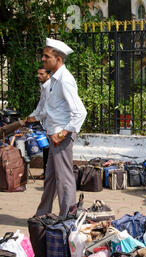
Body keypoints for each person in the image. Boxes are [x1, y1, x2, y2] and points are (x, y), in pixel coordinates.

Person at [28, 38, 87, 218]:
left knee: (64, 180)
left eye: (47, 56)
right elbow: (51, 108)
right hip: (53, 135)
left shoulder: (64, 80)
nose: (43, 59)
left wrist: (62, 133)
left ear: (58, 59)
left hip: (60, 137)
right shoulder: (54, 79)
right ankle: (42, 214)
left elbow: (80, 112)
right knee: (51, 179)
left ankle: (67, 218)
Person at [27, 66, 51, 179]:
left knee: (50, 149)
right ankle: (46, 172)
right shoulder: (43, 86)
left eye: (42, 74)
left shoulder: (49, 86)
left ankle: (49, 174)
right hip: (46, 123)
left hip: (53, 122)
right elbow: (40, 105)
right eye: (38, 74)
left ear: (48, 75)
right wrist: (31, 116)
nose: (39, 76)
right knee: (46, 148)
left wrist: (36, 118)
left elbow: (47, 108)